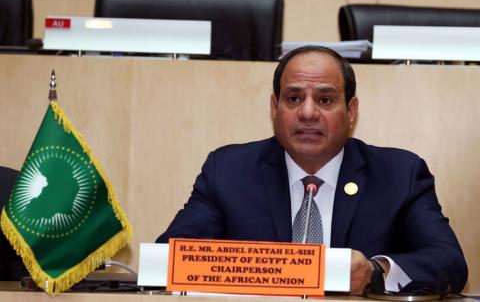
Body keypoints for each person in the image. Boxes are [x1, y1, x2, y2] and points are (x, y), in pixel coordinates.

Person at [156, 46, 468, 295]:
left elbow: (449, 263)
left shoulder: (400, 175)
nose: (307, 112)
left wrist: (375, 272)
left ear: (351, 111)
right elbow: (168, 258)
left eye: (325, 99)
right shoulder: (228, 171)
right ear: (274, 108)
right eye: (293, 98)